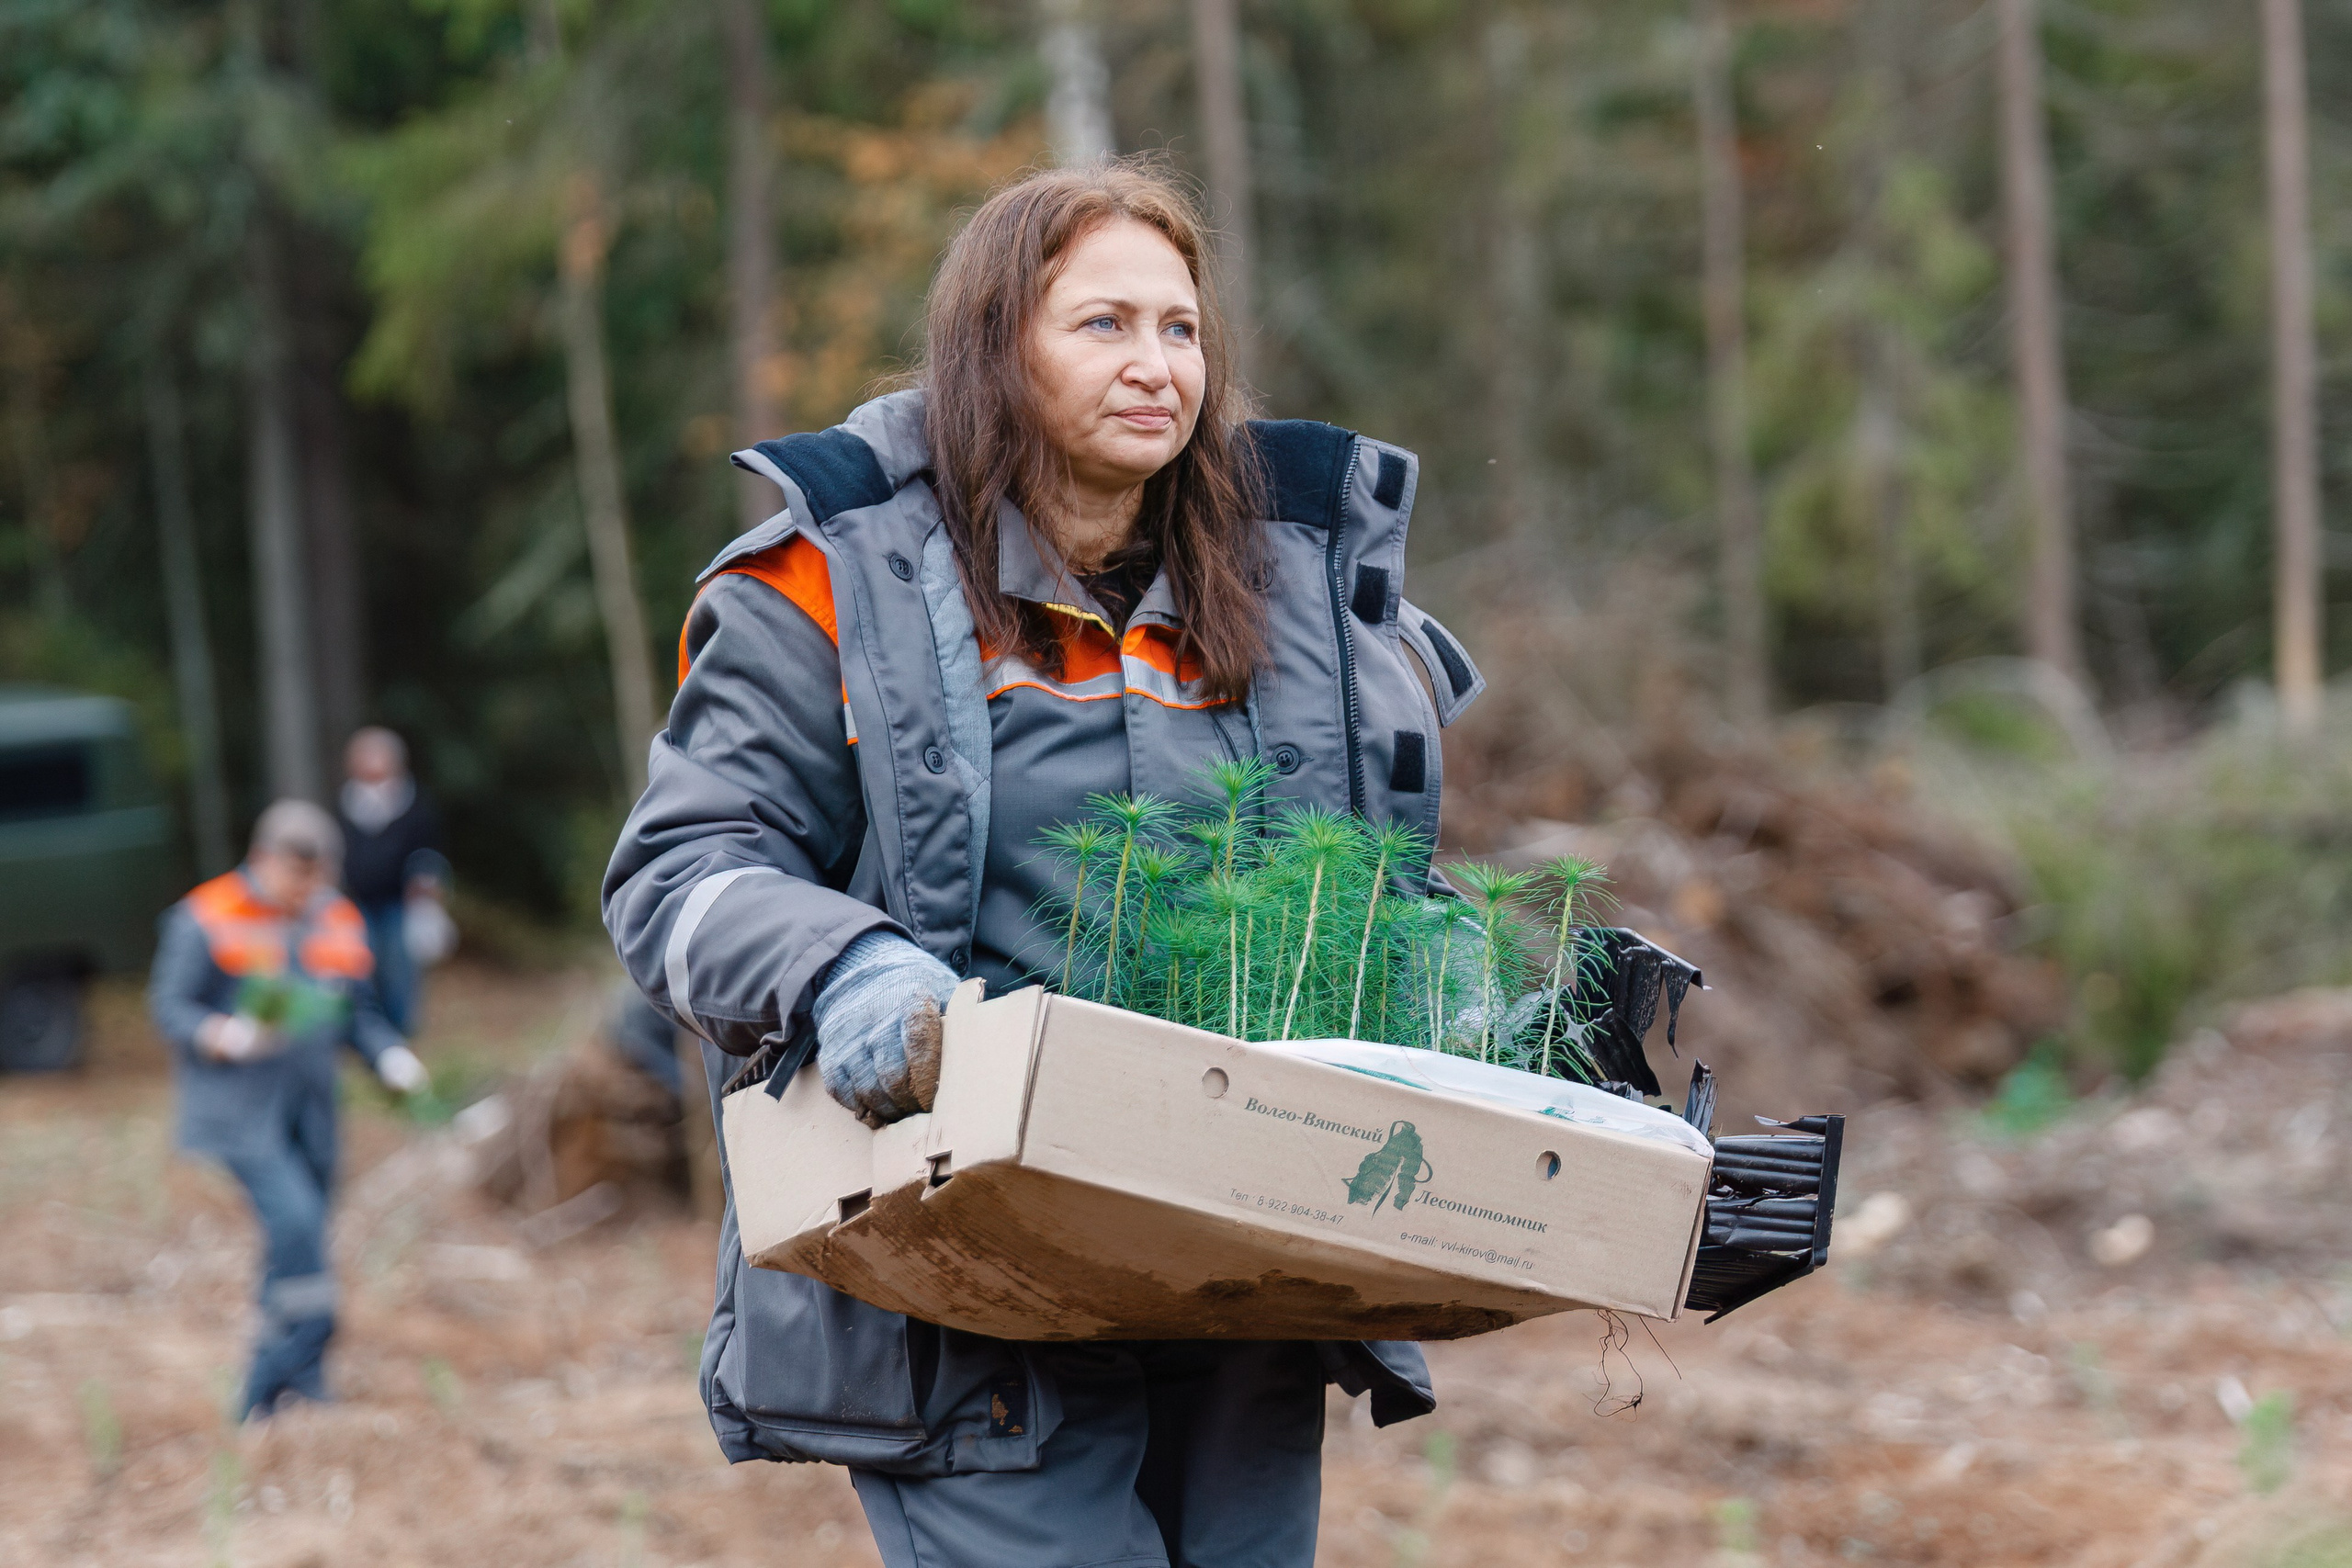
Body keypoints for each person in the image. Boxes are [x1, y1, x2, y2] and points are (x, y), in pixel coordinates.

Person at [605, 159, 1486, 1567]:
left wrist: (1439, 966)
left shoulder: (1283, 587)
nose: (1158, 366)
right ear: (994, 348)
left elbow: (1365, 869)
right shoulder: (833, 574)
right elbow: (678, 870)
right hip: (966, 1265)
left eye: (1181, 328)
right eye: (1104, 325)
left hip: (1242, 1249)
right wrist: (848, 965)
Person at [149, 800, 430, 1420]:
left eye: (317, 878)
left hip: (312, 1107)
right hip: (238, 1112)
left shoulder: (333, 916)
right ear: (264, 860)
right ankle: (268, 1379)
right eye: (296, 877)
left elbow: (357, 1010)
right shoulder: (207, 916)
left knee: (299, 1243)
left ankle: (299, 1382)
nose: (306, 892)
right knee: (297, 1224)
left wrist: (388, 1056)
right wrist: (222, 1033)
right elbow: (169, 1006)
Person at [335, 726, 451, 1035]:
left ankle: (401, 1030)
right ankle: (367, 1028)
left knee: (398, 967)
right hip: (356, 902)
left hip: (399, 903)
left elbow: (429, 852)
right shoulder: (345, 802)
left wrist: (428, 881)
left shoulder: (413, 803)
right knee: (359, 966)